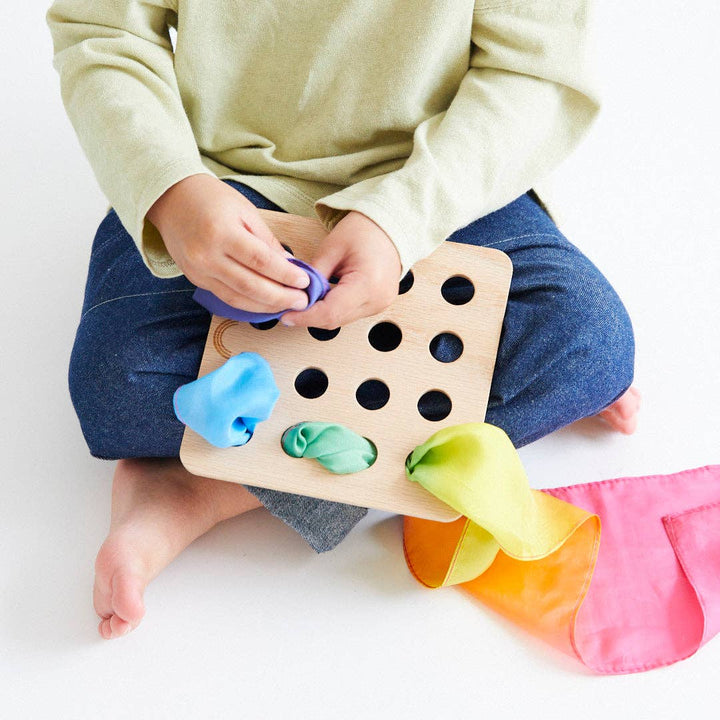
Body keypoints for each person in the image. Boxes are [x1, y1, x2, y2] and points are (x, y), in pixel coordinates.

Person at [46, 0, 640, 640]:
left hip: (435, 182)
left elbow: (536, 71)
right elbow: (103, 32)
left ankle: (212, 489)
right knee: (116, 388)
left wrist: (400, 219)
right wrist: (171, 191)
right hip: (220, 183)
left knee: (588, 343)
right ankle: (284, 457)